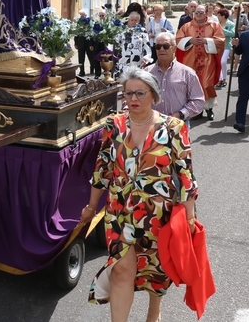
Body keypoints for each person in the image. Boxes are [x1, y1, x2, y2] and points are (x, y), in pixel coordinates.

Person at [82, 67, 198, 322]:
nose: (132, 99)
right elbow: (102, 169)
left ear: (154, 96)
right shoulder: (114, 125)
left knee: (157, 269)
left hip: (158, 214)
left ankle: (154, 311)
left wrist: (189, 219)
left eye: (139, 93)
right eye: (127, 94)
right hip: (120, 212)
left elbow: (185, 177)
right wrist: (91, 208)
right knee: (122, 270)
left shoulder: (174, 128)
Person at [175, 5, 225, 120]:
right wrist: (189, 40)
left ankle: (209, 108)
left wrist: (206, 41)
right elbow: (178, 40)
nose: (198, 15)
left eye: (201, 12)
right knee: (192, 85)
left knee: (207, 83)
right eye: (196, 13)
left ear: (206, 13)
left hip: (208, 60)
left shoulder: (214, 26)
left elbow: (221, 41)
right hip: (191, 60)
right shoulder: (187, 26)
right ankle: (196, 111)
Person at [143, 32, 205, 122]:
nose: (161, 49)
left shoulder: (187, 73)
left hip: (178, 125)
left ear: (174, 48)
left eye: (166, 46)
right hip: (151, 124)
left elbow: (198, 101)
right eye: (158, 46)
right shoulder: (146, 72)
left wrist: (180, 114)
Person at [115, 12, 150, 76]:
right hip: (123, 63)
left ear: (139, 21)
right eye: (132, 20)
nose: (133, 22)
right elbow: (116, 43)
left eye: (136, 20)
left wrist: (146, 58)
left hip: (137, 64)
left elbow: (146, 46)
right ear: (128, 21)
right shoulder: (122, 31)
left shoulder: (142, 31)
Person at [216, 9, 235, 89]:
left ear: (223, 16)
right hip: (217, 45)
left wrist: (222, 30)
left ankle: (224, 78)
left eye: (219, 15)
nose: (218, 17)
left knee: (223, 62)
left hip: (226, 45)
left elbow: (232, 33)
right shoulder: (217, 24)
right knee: (218, 62)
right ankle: (220, 79)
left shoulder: (230, 24)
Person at [73, 9, 91, 77]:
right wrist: (75, 43)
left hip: (88, 43)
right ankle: (82, 71)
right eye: (80, 15)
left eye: (82, 15)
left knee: (90, 57)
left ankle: (92, 69)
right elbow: (76, 34)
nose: (81, 17)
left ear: (85, 15)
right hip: (80, 43)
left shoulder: (89, 22)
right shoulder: (78, 23)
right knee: (81, 58)